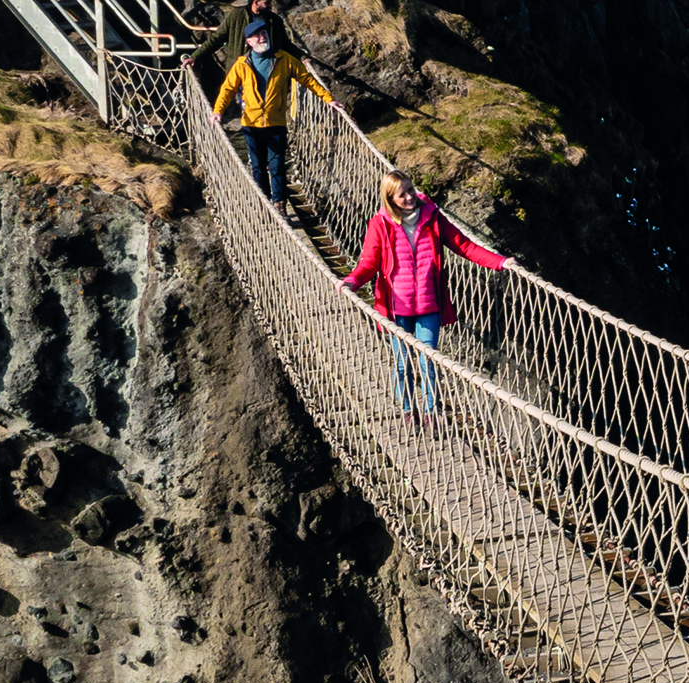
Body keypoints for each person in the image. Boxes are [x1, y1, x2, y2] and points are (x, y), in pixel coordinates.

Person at [342, 172, 510, 412]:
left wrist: (500, 262)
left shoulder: (432, 217)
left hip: (428, 304)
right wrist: (351, 281)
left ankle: (433, 410)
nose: (410, 197)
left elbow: (464, 245)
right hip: (396, 308)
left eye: (411, 190)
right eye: (402, 195)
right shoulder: (380, 224)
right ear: (390, 198)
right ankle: (408, 409)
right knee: (403, 364)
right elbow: (369, 263)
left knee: (428, 359)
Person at [209, 24, 332, 210]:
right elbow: (228, 88)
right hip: (251, 124)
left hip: (276, 123)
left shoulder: (284, 59)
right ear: (249, 41)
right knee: (258, 167)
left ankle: (280, 204)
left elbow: (307, 79)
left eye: (264, 33)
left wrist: (329, 100)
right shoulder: (242, 64)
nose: (262, 37)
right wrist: (218, 111)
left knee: (277, 166)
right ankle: (265, 204)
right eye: (256, 36)